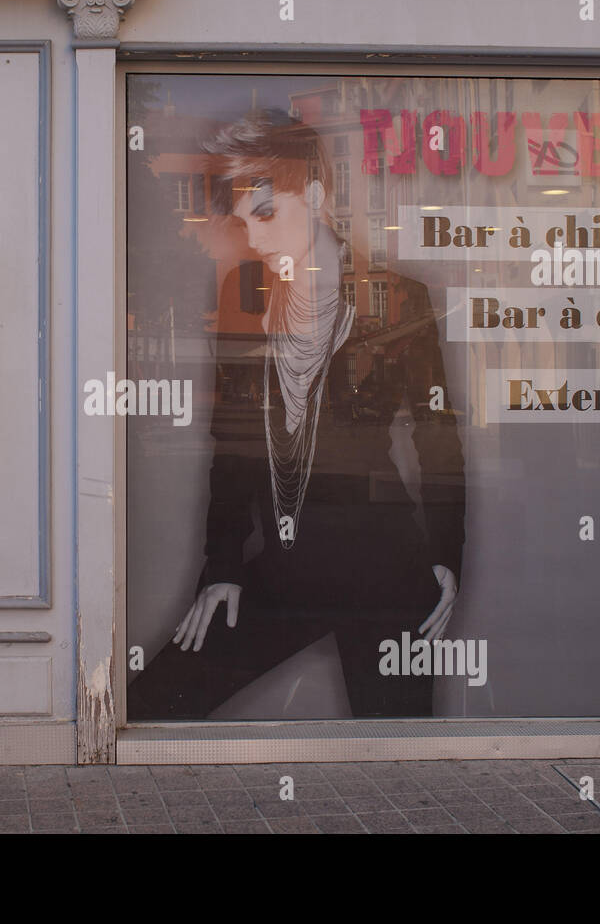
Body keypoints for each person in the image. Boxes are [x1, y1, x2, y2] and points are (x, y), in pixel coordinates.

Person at [127, 108, 466, 720]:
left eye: (266, 213)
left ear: (312, 195)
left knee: (395, 765)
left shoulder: (394, 300)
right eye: (242, 221)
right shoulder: (243, 296)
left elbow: (438, 437)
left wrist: (444, 551)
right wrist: (223, 564)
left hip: (386, 567)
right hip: (288, 569)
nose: (254, 239)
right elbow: (230, 444)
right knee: (152, 704)